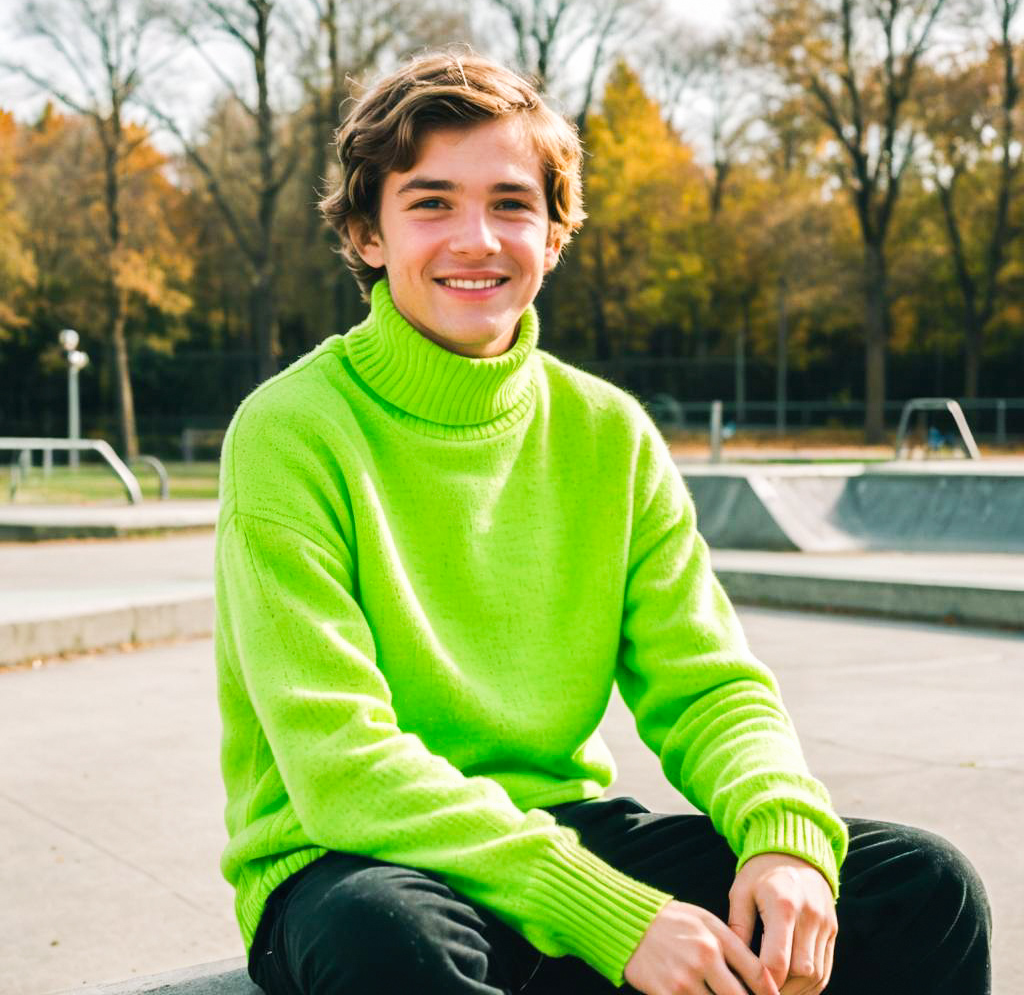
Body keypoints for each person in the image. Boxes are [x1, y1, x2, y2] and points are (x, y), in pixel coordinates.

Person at [213, 50, 991, 995]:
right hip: (355, 860)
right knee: (391, 948)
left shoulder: (607, 431)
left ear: (552, 234)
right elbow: (342, 762)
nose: (476, 238)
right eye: (430, 203)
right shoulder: (291, 431)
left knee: (923, 889)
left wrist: (782, 834)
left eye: (510, 203)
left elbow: (707, 686)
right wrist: (609, 914)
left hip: (565, 832)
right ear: (368, 234)